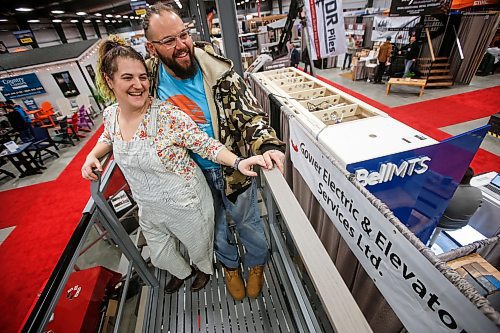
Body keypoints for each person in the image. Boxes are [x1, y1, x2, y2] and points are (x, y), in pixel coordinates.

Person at [81, 36, 269, 294]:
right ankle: (194, 270)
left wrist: (238, 161)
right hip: (148, 206)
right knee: (161, 254)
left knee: (205, 243)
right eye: (128, 78)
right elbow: (108, 136)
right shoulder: (110, 115)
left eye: (143, 77)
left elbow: (204, 144)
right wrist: (93, 154)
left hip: (185, 202)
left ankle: (218, 268)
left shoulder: (167, 116)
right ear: (109, 80)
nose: (138, 85)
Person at [142, 3, 286, 301]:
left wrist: (268, 144)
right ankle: (230, 267)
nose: (181, 45)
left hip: (234, 168)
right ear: (151, 47)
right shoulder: (149, 80)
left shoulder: (218, 71)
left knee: (248, 222)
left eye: (183, 35)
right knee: (214, 227)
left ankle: (256, 265)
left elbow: (250, 115)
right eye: (169, 41)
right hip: (190, 176)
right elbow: (125, 113)